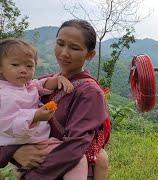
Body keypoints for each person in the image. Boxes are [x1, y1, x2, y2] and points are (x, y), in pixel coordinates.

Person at [0, 19, 110, 180]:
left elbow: (74, 147)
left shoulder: (89, 93)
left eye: (74, 48)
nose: (64, 53)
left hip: (62, 172)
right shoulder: (43, 83)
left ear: (90, 54)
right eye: (60, 43)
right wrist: (13, 153)